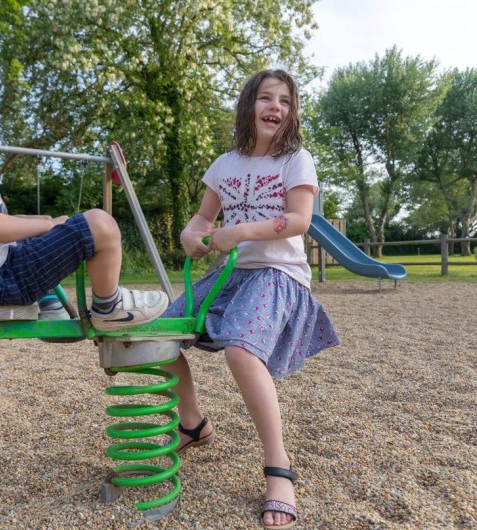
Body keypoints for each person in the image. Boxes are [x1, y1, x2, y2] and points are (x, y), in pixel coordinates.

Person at [161, 69, 340, 529]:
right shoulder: (225, 164)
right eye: (265, 98)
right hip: (235, 274)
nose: (274, 107)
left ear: (291, 111)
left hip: (279, 274)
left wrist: (238, 231)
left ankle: (279, 469)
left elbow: (299, 220)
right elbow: (203, 218)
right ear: (249, 106)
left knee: (241, 349)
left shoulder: (295, 159)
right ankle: (193, 423)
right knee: (158, 334)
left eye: (283, 100)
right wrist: (190, 235)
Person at [0, 51, 167, 330]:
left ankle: (50, 305)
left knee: (37, 225)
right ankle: (110, 307)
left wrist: (45, 223)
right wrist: (47, 226)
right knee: (100, 224)